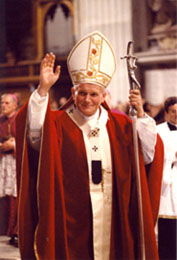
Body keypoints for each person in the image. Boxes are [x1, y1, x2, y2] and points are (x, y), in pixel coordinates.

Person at [16, 31, 164, 260]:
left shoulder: (121, 125)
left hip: (113, 211)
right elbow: (35, 141)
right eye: (82, 93)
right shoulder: (58, 123)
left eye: (93, 94)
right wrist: (43, 90)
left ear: (104, 95)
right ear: (73, 93)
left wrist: (142, 115)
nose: (87, 99)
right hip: (70, 212)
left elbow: (146, 157)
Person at [157, 96, 177, 260]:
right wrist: (172, 157)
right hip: (166, 183)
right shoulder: (159, 131)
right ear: (166, 113)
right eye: (173, 112)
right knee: (168, 232)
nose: (176, 115)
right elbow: (153, 156)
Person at [0, 93, 18, 247]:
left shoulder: (19, 119)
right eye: (2, 103)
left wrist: (14, 145)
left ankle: (15, 231)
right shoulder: (1, 120)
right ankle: (5, 231)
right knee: (5, 196)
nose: (3, 105)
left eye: (7, 103)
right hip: (3, 162)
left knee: (15, 195)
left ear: (14, 105)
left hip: (16, 162)